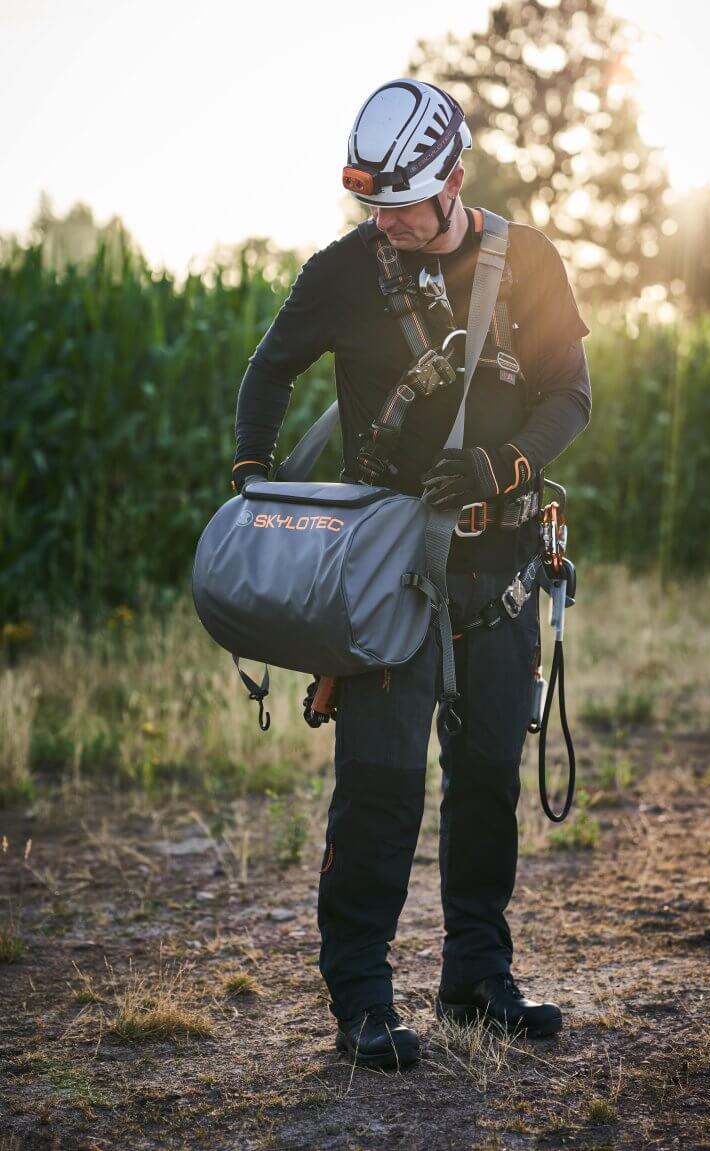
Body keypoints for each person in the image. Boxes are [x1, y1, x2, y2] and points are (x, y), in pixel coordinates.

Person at [232, 78, 591, 1070]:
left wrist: (501, 463)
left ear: (455, 183)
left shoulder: (532, 262)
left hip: (502, 564)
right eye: (372, 208)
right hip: (387, 576)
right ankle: (361, 999)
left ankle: (477, 976)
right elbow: (268, 371)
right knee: (380, 789)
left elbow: (570, 395)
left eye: (402, 206)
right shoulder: (343, 272)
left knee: (485, 782)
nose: (384, 224)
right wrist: (253, 481)